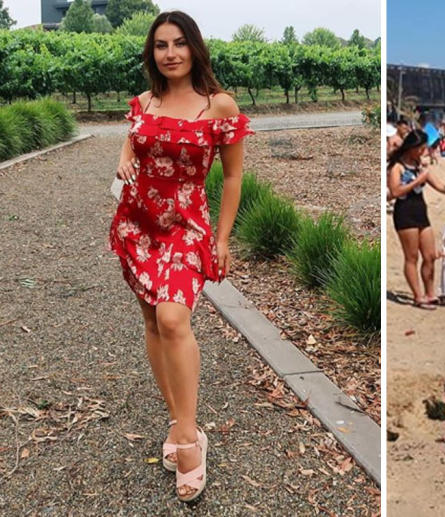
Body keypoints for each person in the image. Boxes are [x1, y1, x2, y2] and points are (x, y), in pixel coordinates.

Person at [109, 11, 253, 502]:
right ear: (152, 53)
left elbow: (232, 177)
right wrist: (126, 152)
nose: (169, 53)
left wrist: (224, 237)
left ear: (194, 48)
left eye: (178, 44)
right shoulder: (145, 101)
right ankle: (178, 421)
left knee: (174, 319)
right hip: (137, 222)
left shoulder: (220, 106)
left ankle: (190, 437)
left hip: (186, 226)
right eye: (160, 45)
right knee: (152, 322)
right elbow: (136, 132)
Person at [388, 129, 445, 310]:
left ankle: (430, 292)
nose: (423, 151)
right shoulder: (397, 167)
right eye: (421, 148)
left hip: (421, 213)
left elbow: (440, 186)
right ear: (412, 147)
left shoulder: (420, 166)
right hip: (405, 214)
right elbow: (395, 192)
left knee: (430, 256)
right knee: (411, 257)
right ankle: (418, 296)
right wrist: (418, 181)